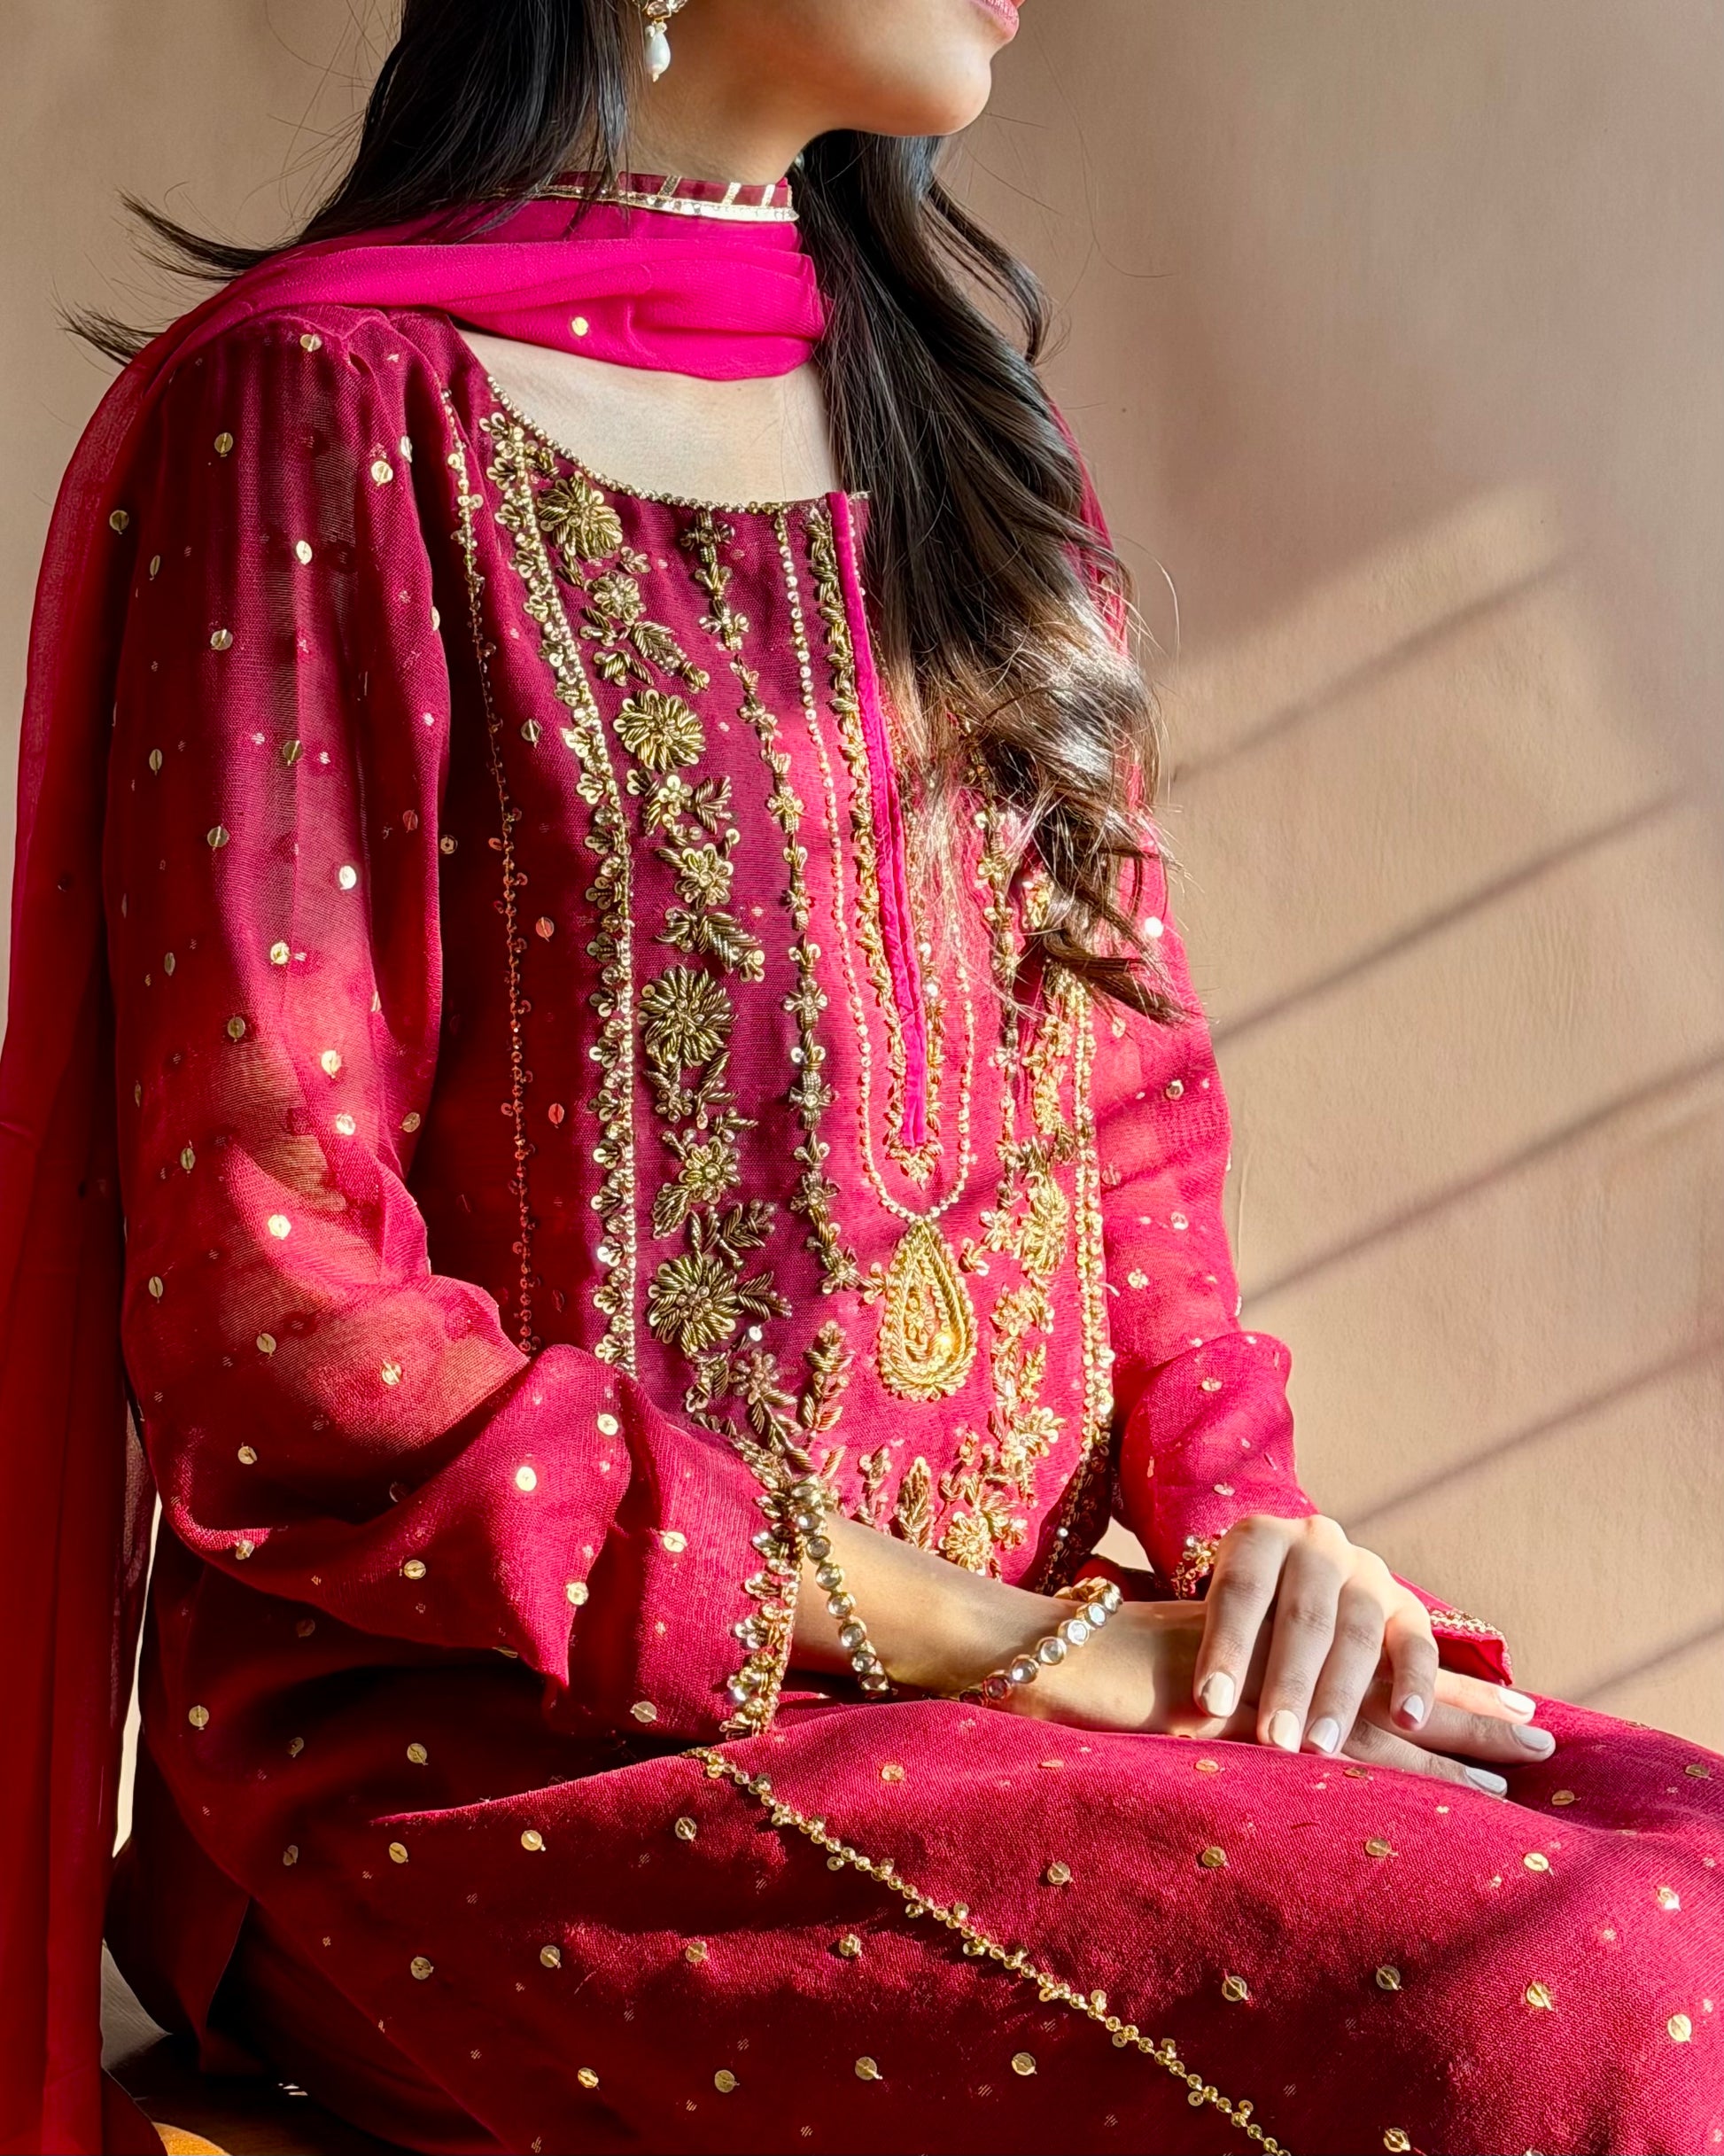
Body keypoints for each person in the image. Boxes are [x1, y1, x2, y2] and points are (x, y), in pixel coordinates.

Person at [1, 3, 1718, 2152]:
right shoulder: (326, 414)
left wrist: (1262, 1558)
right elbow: (279, 1319)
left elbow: (1126, 1153)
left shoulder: (968, 440)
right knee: (1596, 2012)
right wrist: (1014, 1648)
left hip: (1038, 1698)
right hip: (505, 1762)